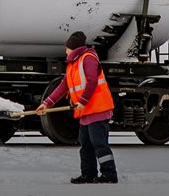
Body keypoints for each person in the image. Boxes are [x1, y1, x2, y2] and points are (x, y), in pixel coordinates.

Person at [36, 31, 118, 184]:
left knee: (99, 144)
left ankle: (109, 174)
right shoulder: (73, 64)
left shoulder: (88, 59)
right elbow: (63, 87)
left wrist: (83, 100)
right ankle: (88, 174)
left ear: (74, 49)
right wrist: (47, 103)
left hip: (98, 109)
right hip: (85, 112)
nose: (65, 51)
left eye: (67, 48)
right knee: (85, 145)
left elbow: (92, 81)